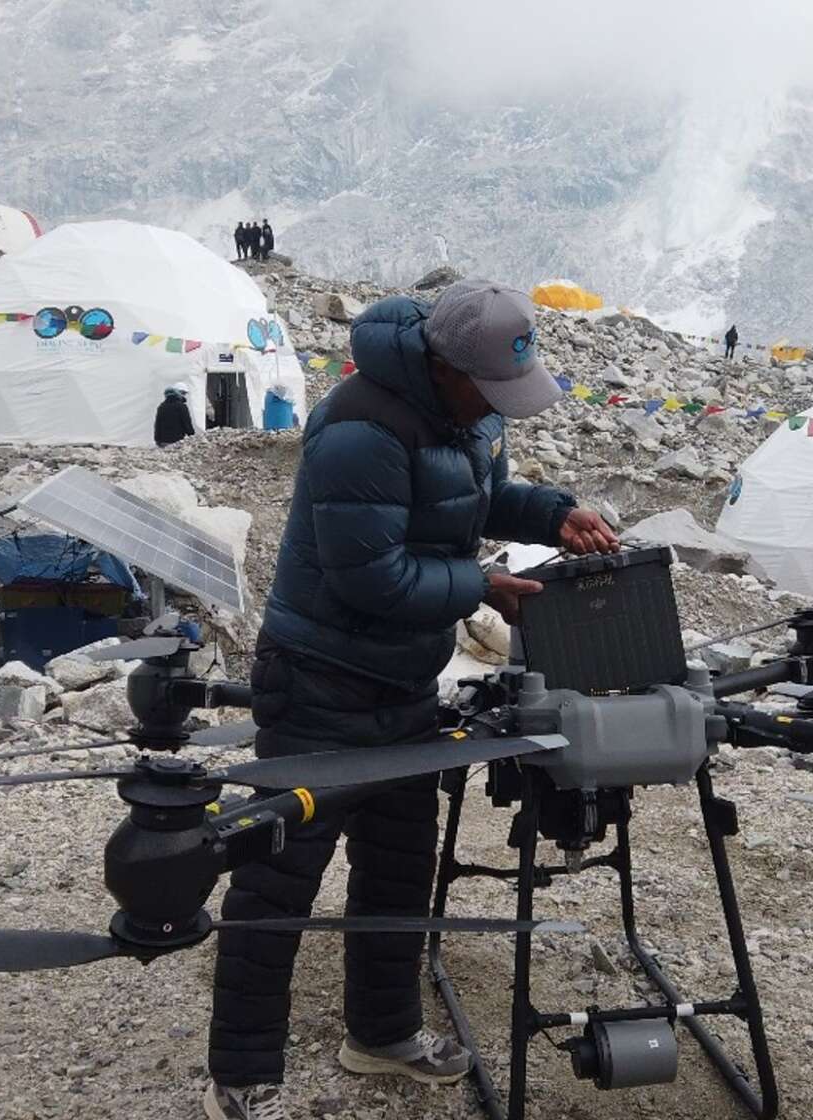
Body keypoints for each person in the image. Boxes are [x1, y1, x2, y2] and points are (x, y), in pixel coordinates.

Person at [205, 279, 620, 1120]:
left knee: (398, 867)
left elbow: (472, 497)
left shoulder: (469, 414)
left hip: (401, 678)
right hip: (321, 675)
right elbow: (371, 577)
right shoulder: (360, 429)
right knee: (280, 874)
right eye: (490, 390)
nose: (498, 408)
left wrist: (554, 513)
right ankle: (242, 1070)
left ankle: (383, 1034)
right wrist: (484, 586)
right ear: (443, 365)